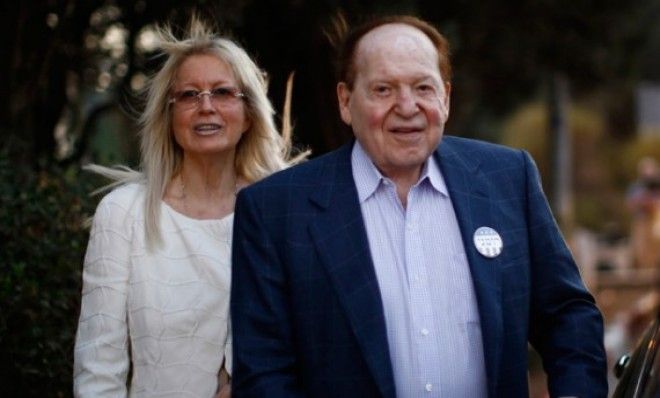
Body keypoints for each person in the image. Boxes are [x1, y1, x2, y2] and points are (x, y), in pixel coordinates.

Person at [231, 15, 608, 397]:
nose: (407, 106)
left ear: (444, 98)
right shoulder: (276, 210)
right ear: (345, 101)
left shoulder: (507, 179)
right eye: (383, 89)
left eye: (422, 88)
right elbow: (264, 370)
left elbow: (567, 315)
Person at [73, 17, 305, 397]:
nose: (206, 107)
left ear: (249, 113)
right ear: (169, 116)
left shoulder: (283, 211)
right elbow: (98, 368)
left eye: (223, 92)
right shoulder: (124, 213)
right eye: (189, 95)